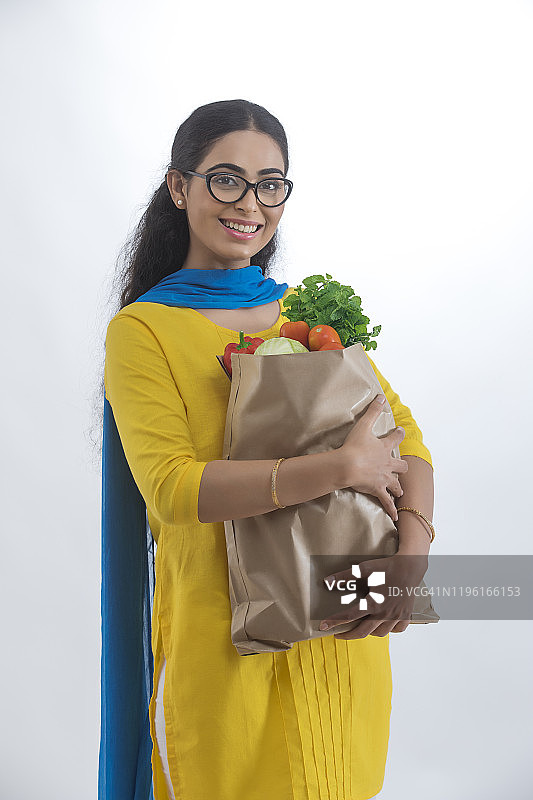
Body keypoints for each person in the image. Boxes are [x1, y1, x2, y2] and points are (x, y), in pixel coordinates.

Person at [99, 98, 435, 800]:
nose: (250, 202)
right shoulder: (145, 331)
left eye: (270, 183)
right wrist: (341, 468)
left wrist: (410, 555)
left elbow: (406, 437)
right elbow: (173, 489)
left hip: (340, 624)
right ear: (178, 186)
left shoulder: (307, 314)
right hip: (222, 648)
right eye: (226, 179)